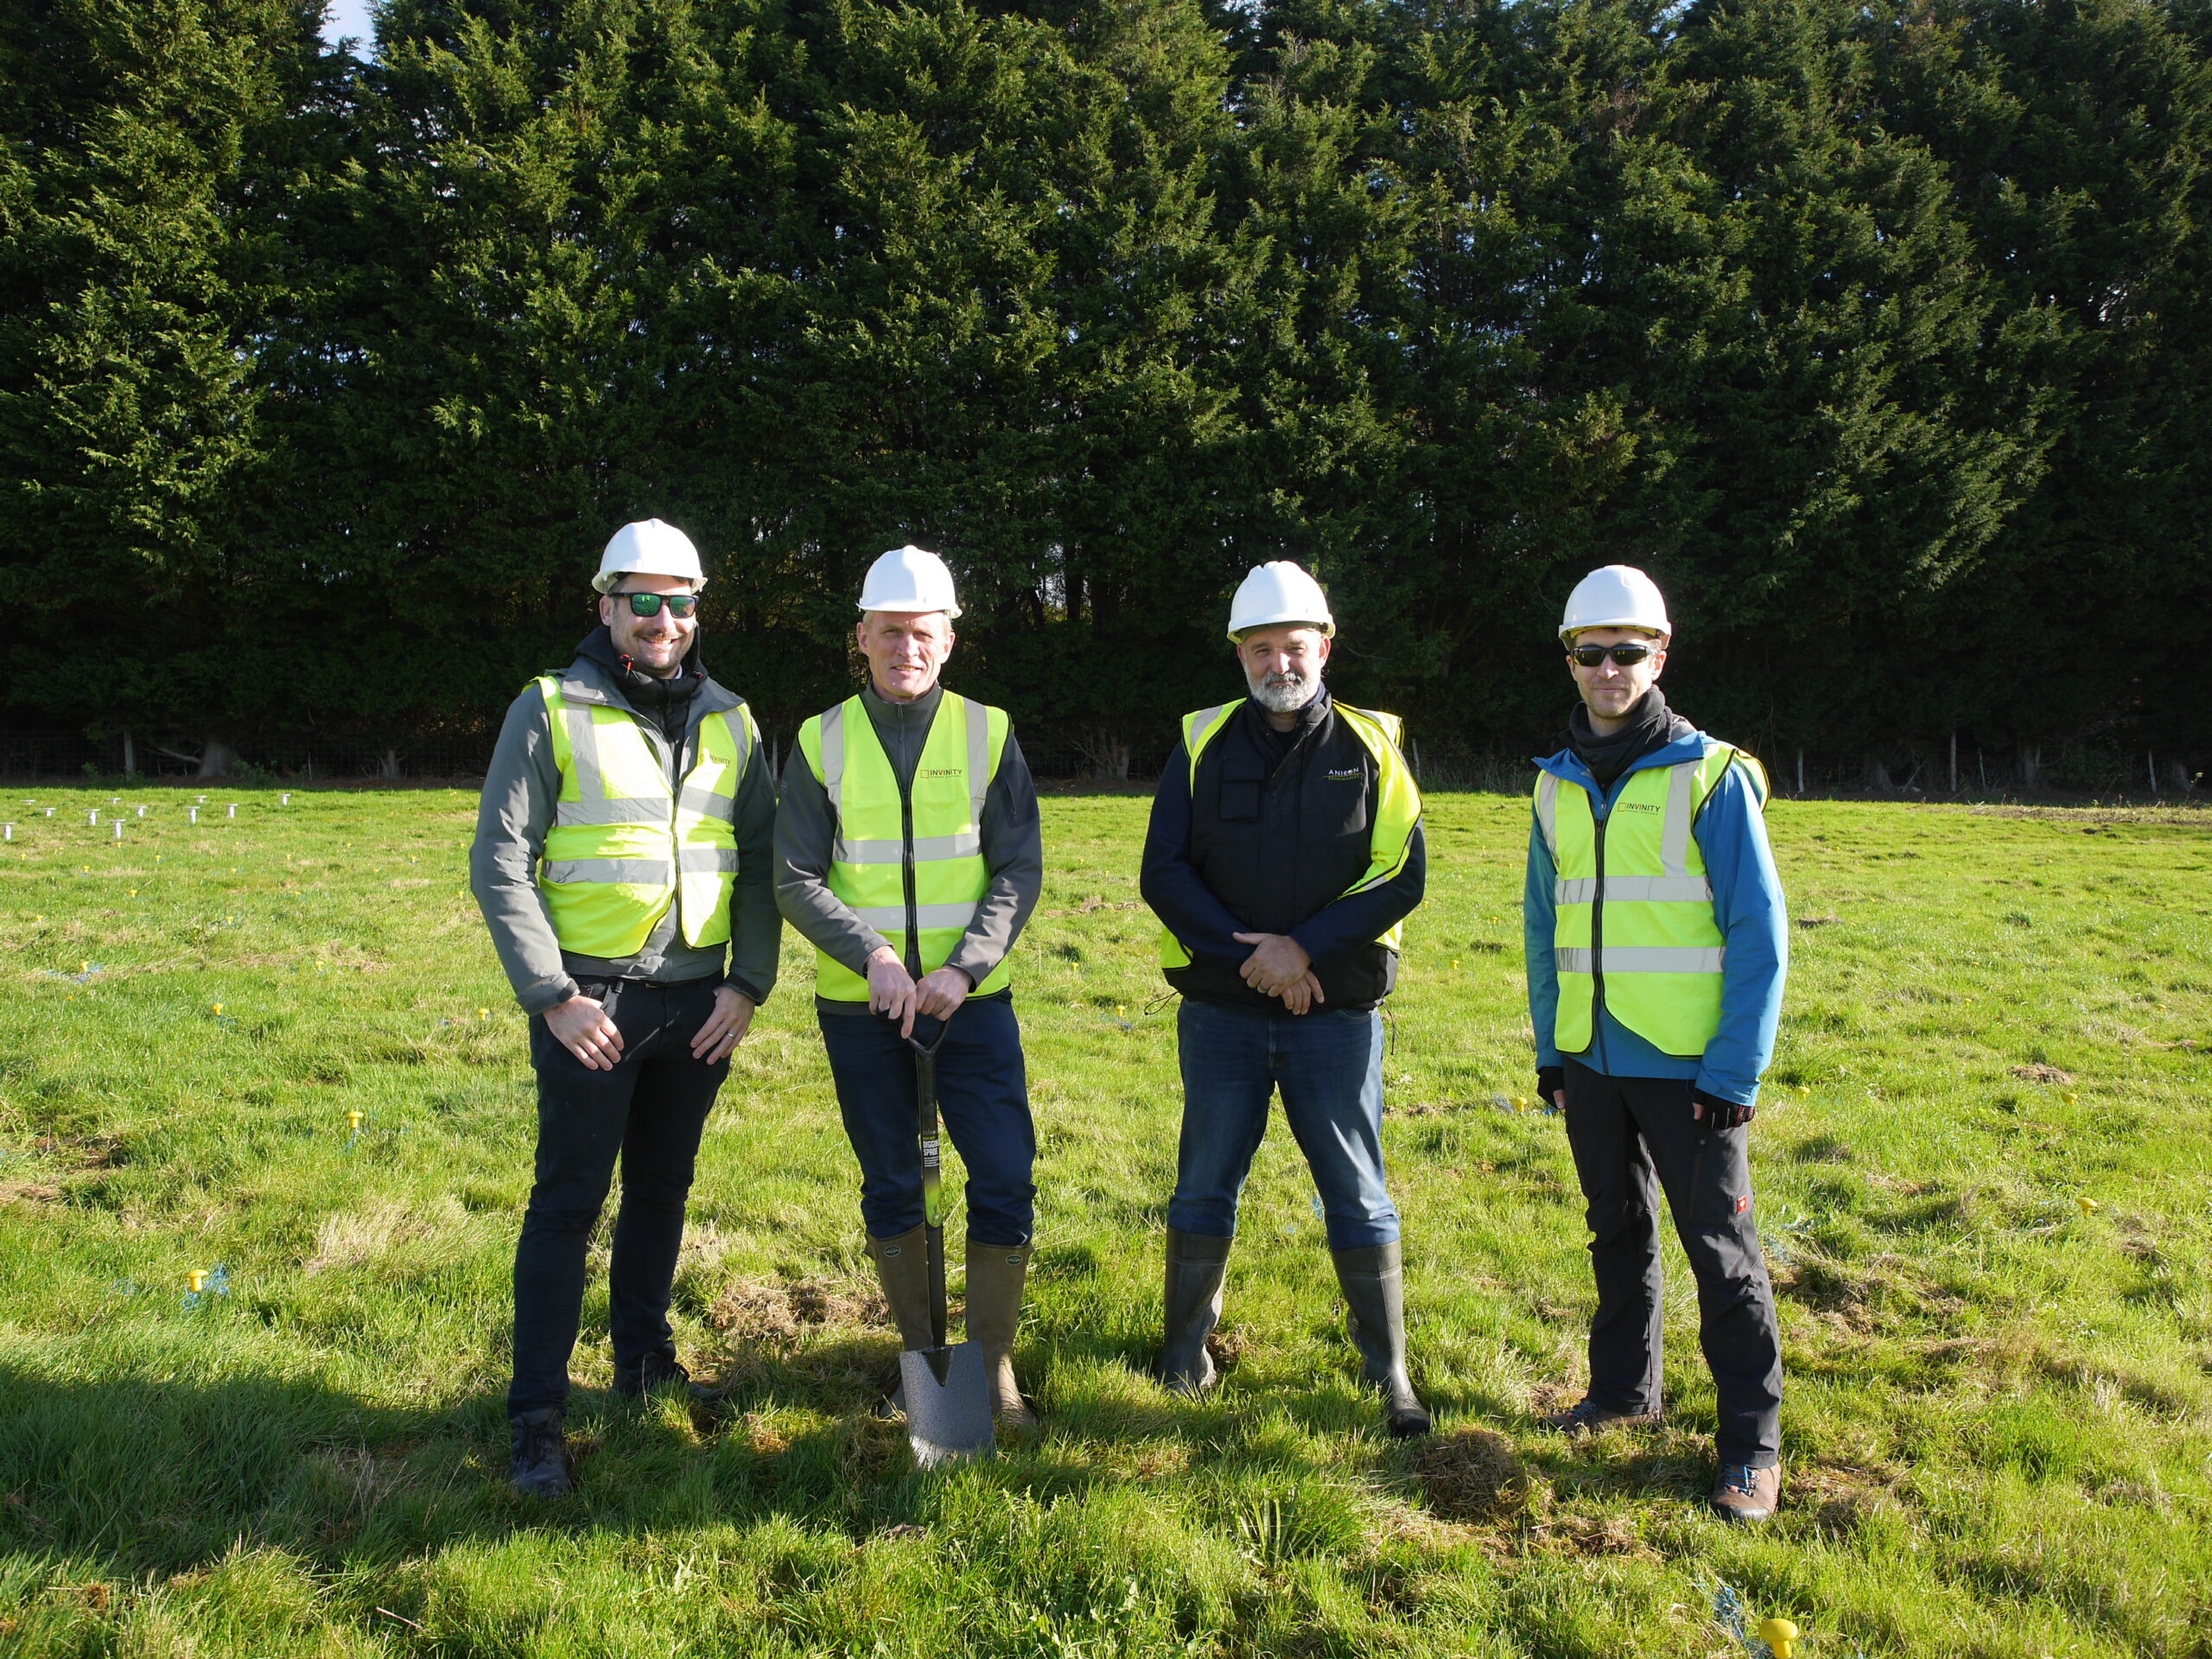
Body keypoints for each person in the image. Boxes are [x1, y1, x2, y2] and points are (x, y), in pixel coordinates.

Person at [471, 518, 779, 1497]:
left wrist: (748, 983)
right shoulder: (550, 709)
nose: (661, 620)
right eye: (640, 601)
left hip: (700, 1006)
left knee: (662, 1191)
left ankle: (643, 1364)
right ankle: (537, 1419)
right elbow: (499, 864)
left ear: (698, 611)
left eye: (677, 602)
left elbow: (766, 864)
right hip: (590, 1006)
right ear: (605, 606)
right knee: (566, 1207)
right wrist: (552, 996)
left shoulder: (733, 717)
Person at [1139, 561, 1431, 1437]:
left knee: (1358, 1193)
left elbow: (1401, 875)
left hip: (1334, 1019)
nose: (1278, 662)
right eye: (1260, 648)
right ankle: (1184, 1353)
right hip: (1223, 1016)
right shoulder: (1199, 744)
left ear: (1324, 647)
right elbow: (1164, 872)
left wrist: (1304, 948)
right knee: (1202, 1187)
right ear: (1239, 655)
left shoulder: (1373, 746)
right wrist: (1261, 958)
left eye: (1293, 646)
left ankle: (1389, 1370)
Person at [1523, 563, 1789, 1522]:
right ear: (1570, 658)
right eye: (1589, 653)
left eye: (1626, 652)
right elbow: (1542, 923)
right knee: (1616, 1233)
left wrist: (1733, 1069)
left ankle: (1750, 1448)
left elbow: (1761, 936)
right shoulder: (1551, 786)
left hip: (1688, 1070)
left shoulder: (1712, 778)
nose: (1607, 669)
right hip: (1589, 1059)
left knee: (1720, 1254)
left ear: (1659, 656)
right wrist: (1552, 1046)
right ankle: (1622, 1395)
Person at [774, 545, 1045, 1425]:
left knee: (1003, 1175)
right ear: (862, 636)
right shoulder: (820, 739)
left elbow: (1016, 869)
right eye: (888, 632)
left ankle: (991, 1366)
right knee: (893, 1184)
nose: (905, 648)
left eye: (921, 632)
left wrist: (964, 966)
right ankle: (924, 1362)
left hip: (973, 1006)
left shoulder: (988, 732)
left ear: (948, 639)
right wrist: (876, 960)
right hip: (863, 1011)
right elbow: (794, 876)